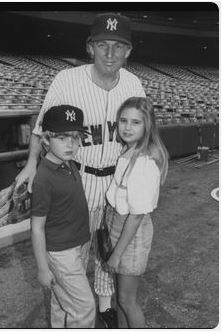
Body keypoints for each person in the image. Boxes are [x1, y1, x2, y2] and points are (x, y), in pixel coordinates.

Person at [16, 12, 146, 327]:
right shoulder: (66, 80)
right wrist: (33, 163)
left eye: (119, 46)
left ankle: (104, 306)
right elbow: (40, 128)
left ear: (128, 51)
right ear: (90, 47)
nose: (111, 54)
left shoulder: (134, 83)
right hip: (79, 177)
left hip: (117, 179)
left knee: (109, 247)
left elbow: (144, 132)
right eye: (103, 45)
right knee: (73, 251)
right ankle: (67, 311)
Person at [105, 97, 168, 328]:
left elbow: (137, 215)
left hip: (131, 234)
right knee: (120, 297)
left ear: (147, 126)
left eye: (135, 122)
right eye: (123, 120)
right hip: (120, 226)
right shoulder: (128, 150)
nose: (127, 127)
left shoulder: (143, 162)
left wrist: (117, 254)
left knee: (126, 300)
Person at [31, 105, 95, 328]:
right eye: (63, 137)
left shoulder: (68, 163)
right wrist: (42, 268)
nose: (71, 144)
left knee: (62, 303)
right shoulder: (43, 178)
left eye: (76, 137)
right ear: (47, 140)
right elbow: (37, 227)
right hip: (61, 252)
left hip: (79, 244)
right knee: (84, 308)